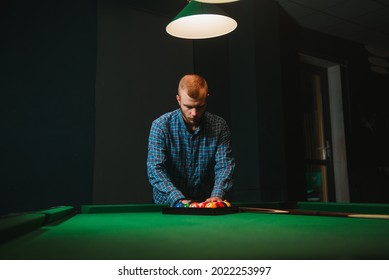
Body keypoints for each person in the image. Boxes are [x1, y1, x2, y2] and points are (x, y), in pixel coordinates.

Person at [147, 74, 235, 207]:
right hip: (167, 206)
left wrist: (217, 194)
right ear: (178, 100)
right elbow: (155, 169)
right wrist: (178, 199)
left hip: (205, 205)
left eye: (200, 107)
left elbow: (224, 166)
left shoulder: (219, 126)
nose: (194, 113)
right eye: (188, 106)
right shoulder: (160, 126)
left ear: (207, 98)